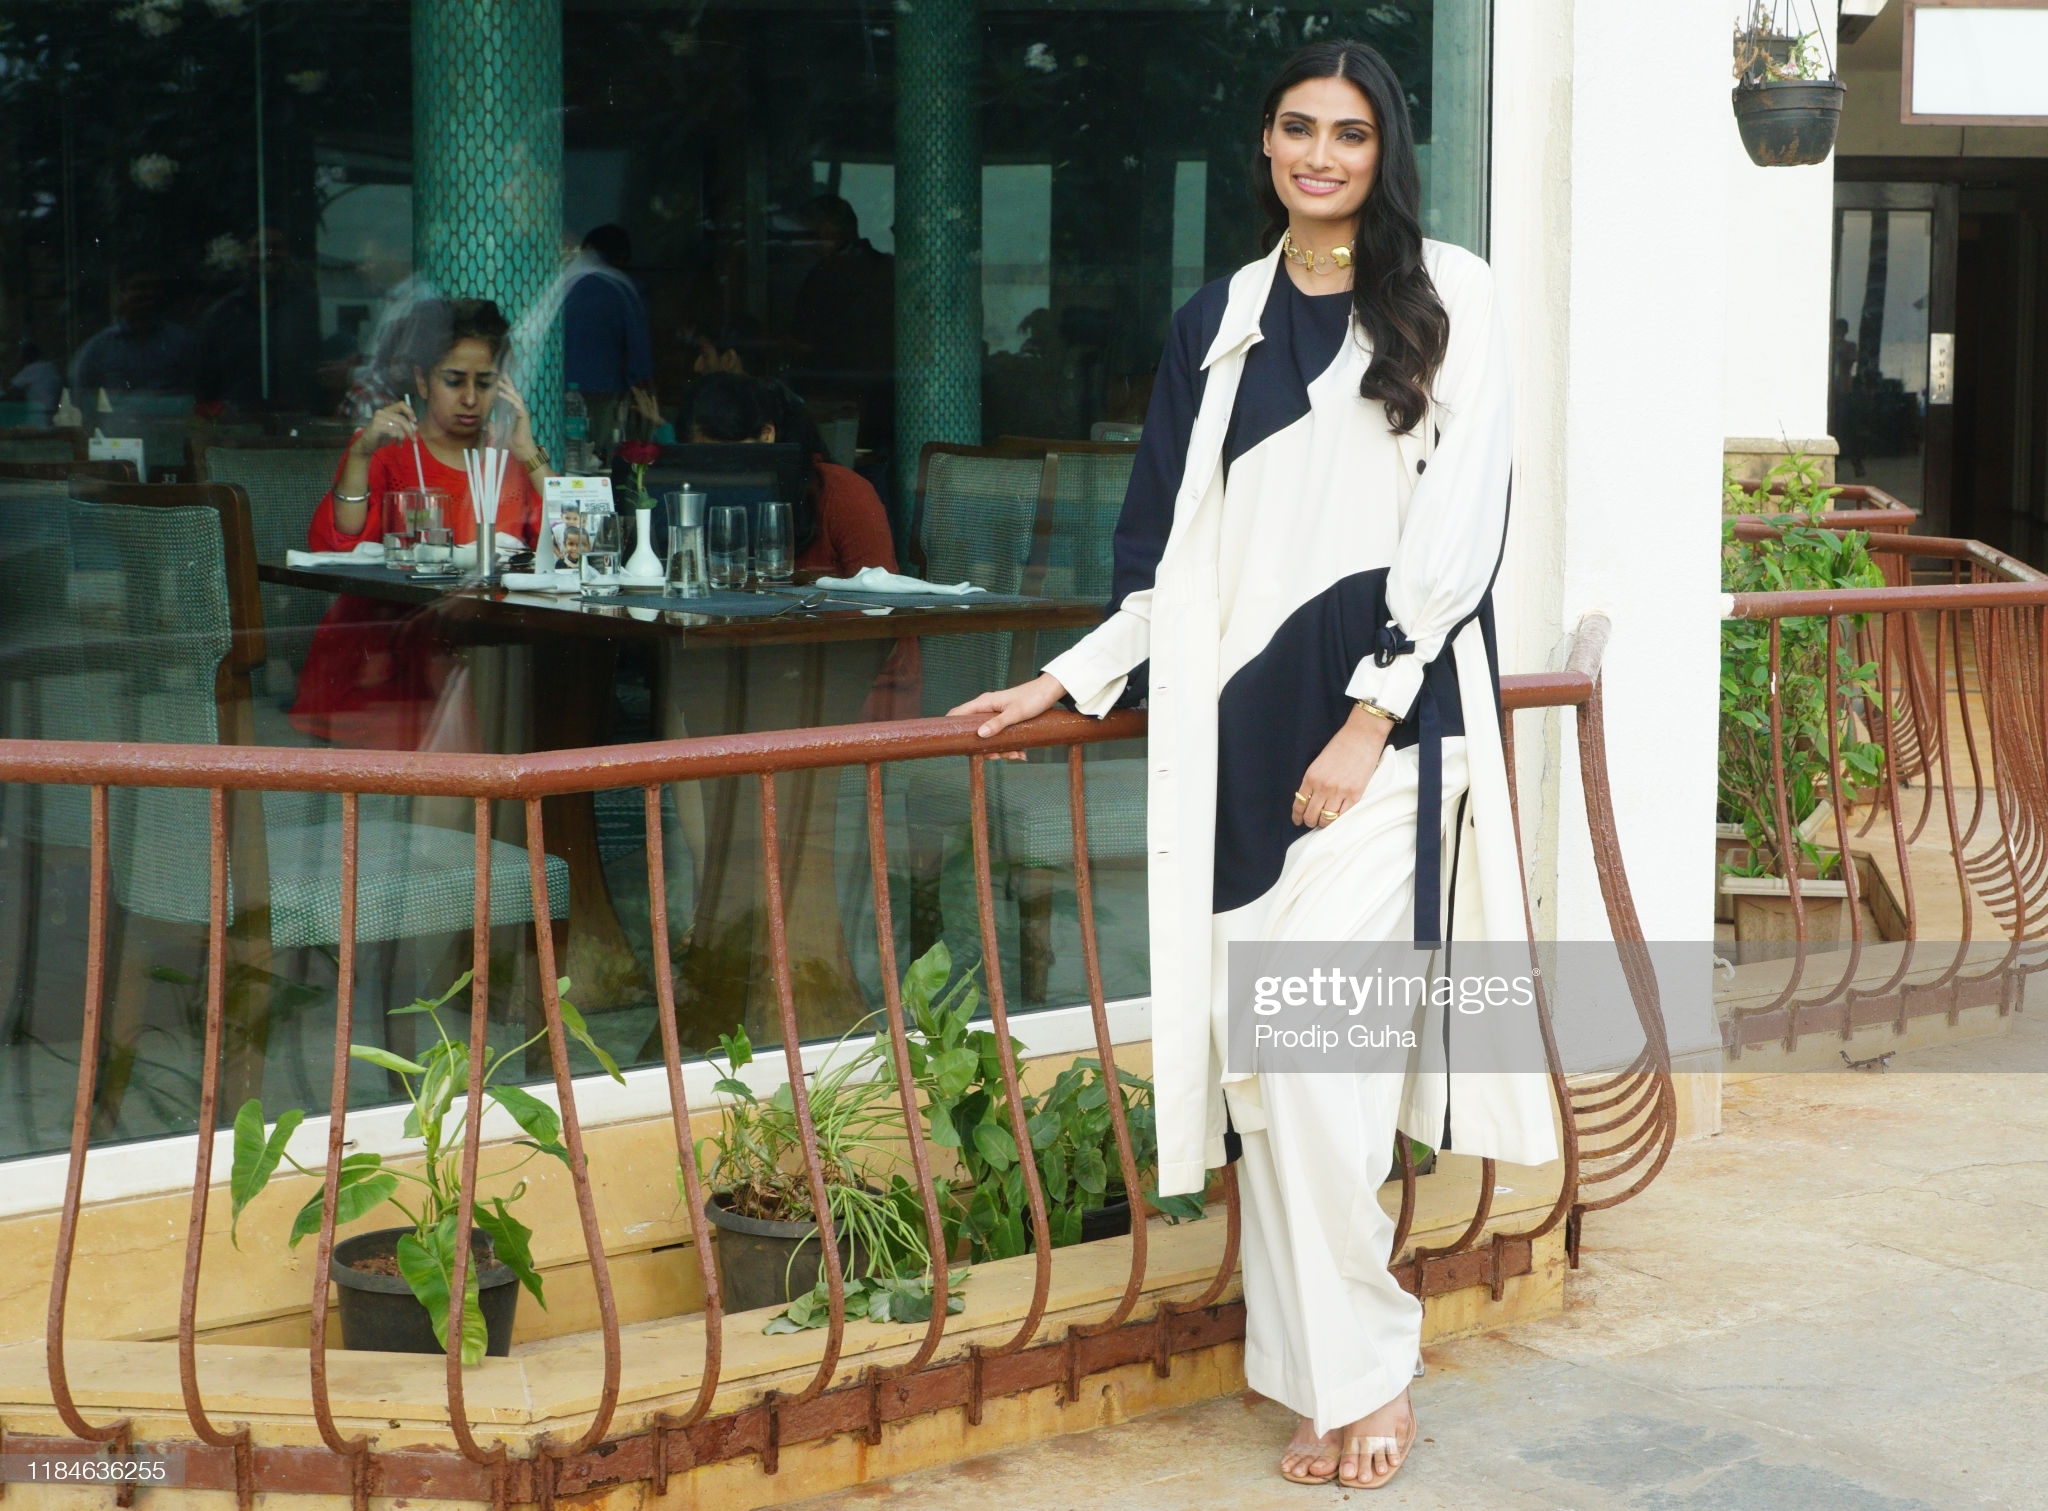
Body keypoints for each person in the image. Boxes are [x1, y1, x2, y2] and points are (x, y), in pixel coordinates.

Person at [947, 40, 1555, 1491]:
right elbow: (1164, 548)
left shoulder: (1451, 294)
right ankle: (1326, 1377)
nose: (1320, 154)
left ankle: (1368, 1366)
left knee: (1317, 1062)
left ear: (1385, 150)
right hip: (1237, 745)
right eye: (1298, 128)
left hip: (1384, 737)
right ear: (1266, 145)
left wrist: (1371, 711)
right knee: (1273, 1082)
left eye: (1350, 132)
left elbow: (1461, 525)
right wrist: (1073, 672)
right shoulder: (1217, 319)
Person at [289, 297, 551, 748]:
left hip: (490, 650)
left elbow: (572, 545)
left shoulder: (509, 459)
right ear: (422, 381)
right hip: (387, 654)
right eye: (454, 381)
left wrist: (529, 453)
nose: (470, 399)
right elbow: (338, 545)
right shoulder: (389, 450)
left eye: (485, 383)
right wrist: (361, 453)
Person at [789, 195, 895, 450]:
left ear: (826, 231)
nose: (804, 245)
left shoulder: (826, 276)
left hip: (838, 397)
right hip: (887, 394)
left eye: (807, 235)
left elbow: (805, 342)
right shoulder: (886, 267)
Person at [194, 227, 324, 416]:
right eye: (259, 248)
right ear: (246, 254)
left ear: (287, 254)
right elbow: (205, 382)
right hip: (237, 422)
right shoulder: (222, 313)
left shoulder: (309, 305)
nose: (267, 254)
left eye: (275, 247)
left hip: (298, 418)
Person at [563, 223, 656, 454]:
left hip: (559, 391)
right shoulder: (624, 288)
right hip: (605, 394)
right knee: (600, 456)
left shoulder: (563, 284)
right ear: (621, 258)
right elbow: (639, 355)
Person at [69, 272, 198, 399]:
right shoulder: (98, 348)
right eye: (139, 287)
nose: (148, 294)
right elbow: (79, 396)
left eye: (153, 288)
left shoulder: (182, 341)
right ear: (121, 295)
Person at [9, 338, 64, 425]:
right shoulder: (51, 367)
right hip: (52, 416)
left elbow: (11, 392)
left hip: (37, 417)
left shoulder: (32, 369)